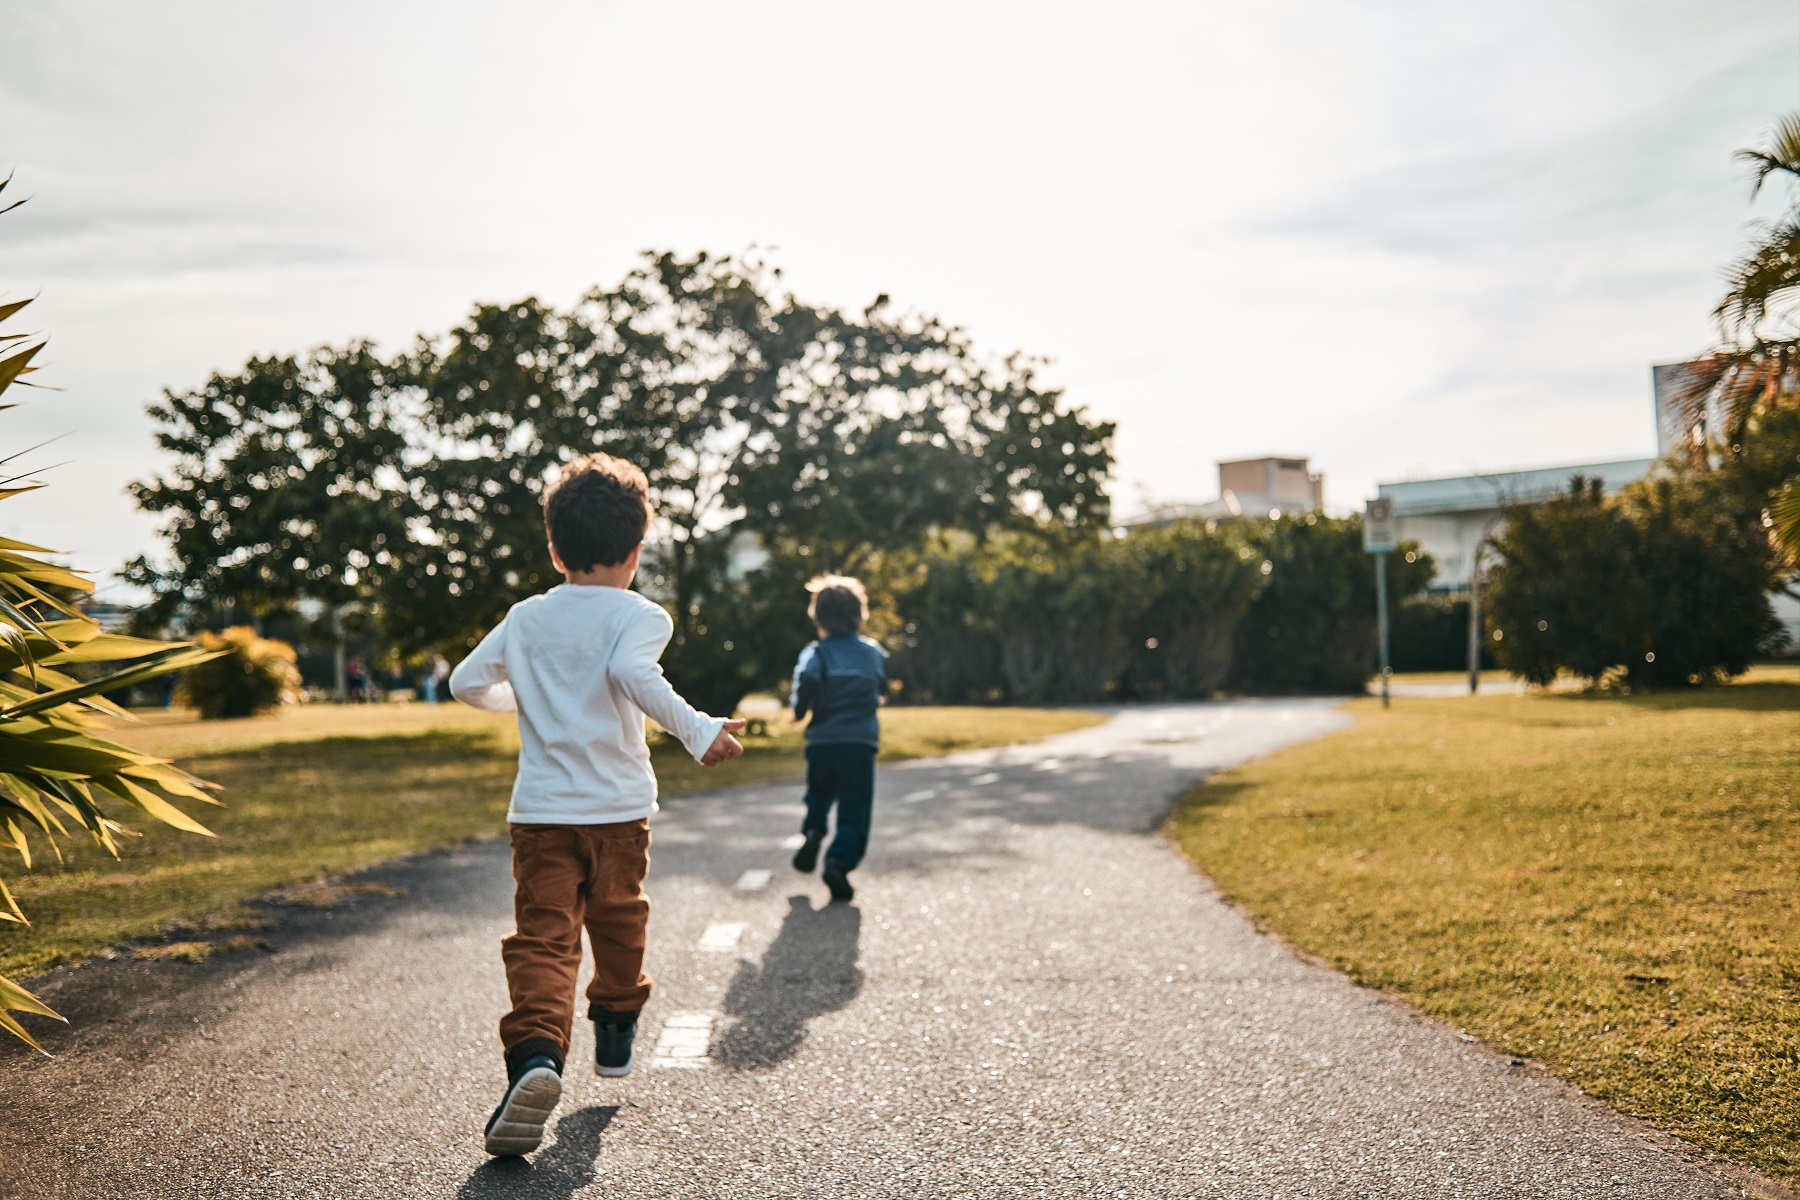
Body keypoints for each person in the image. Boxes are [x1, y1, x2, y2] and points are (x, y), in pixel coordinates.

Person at [450, 452, 746, 1158]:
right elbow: (629, 672)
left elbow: (465, 682)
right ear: (636, 552)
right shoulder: (640, 614)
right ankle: (614, 1022)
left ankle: (535, 1057)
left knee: (543, 940)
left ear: (556, 551)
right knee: (619, 920)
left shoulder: (525, 618)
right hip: (617, 814)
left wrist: (523, 694)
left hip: (541, 818)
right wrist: (699, 730)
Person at [788, 574, 887, 903]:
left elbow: (806, 681)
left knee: (818, 793)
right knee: (855, 807)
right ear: (860, 614)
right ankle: (838, 862)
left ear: (818, 617)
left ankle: (814, 830)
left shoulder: (815, 653)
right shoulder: (872, 653)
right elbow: (881, 684)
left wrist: (799, 710)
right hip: (859, 743)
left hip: (822, 742)